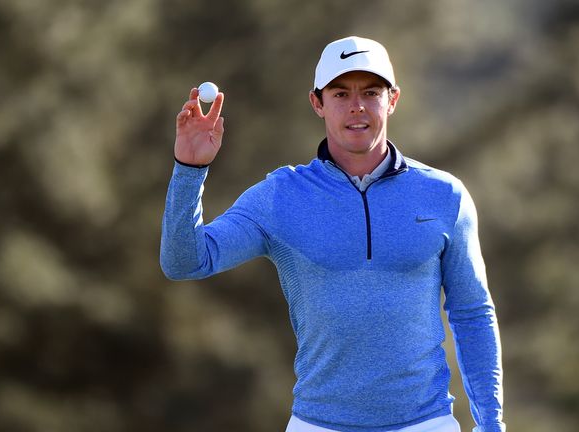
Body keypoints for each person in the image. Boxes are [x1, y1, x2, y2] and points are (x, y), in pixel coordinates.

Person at [160, 36, 506, 432]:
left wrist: (491, 424)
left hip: (426, 423)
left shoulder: (445, 195)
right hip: (318, 425)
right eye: (340, 93)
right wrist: (189, 170)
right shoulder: (281, 196)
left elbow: (472, 312)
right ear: (317, 103)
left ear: (392, 100)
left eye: (371, 92)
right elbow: (184, 262)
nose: (357, 106)